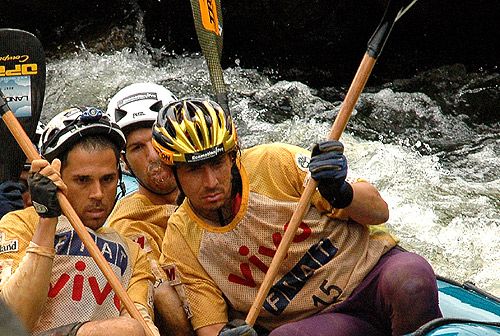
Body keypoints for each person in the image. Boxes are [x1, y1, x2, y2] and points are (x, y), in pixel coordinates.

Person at [151, 98, 443, 336]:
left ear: (231, 156)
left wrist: (341, 192)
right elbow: (212, 328)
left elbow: (380, 211)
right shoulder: (181, 240)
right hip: (324, 320)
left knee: (412, 282)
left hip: (373, 275)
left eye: (217, 164)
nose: (211, 181)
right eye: (194, 171)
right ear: (172, 172)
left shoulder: (275, 162)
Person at [0, 106, 160, 336]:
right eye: (82, 180)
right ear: (57, 176)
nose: (97, 193)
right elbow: (13, 322)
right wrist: (47, 218)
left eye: (108, 179)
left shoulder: (133, 252)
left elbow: (143, 325)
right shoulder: (18, 225)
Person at [106, 83, 193, 335]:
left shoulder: (213, 182)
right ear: (124, 162)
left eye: (158, 141)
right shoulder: (128, 222)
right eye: (137, 148)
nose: (154, 156)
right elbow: (168, 305)